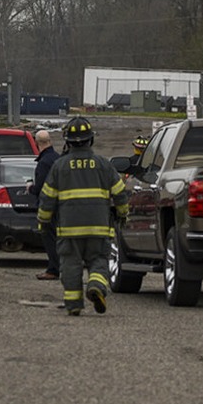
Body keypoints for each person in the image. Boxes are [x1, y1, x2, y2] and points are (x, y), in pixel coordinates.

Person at [37, 116, 128, 316]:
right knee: (99, 260)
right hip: (98, 227)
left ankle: (74, 304)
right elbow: (121, 193)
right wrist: (123, 214)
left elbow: (47, 198)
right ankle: (96, 285)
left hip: (69, 229)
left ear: (68, 142)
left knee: (70, 265)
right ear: (91, 140)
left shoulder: (59, 166)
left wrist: (43, 221)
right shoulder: (103, 164)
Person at [31, 129, 59, 280]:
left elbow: (41, 187)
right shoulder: (58, 159)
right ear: (50, 141)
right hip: (61, 205)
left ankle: (53, 269)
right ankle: (59, 267)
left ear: (37, 143)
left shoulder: (43, 163)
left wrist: (31, 188)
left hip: (48, 207)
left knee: (49, 238)